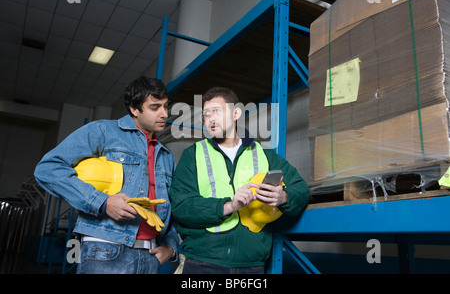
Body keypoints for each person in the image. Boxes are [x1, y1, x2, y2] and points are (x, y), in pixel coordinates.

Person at [34, 76, 179, 274]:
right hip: (106, 250)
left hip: (150, 255)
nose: (164, 113)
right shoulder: (103, 132)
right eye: (155, 107)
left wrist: (171, 248)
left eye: (165, 106)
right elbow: (47, 169)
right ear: (134, 110)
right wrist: (103, 202)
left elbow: (169, 206)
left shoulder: (166, 155)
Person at [169, 86, 310, 273]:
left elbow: (301, 189)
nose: (210, 118)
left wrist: (283, 198)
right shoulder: (193, 155)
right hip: (203, 263)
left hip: (251, 265)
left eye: (217, 111)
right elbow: (181, 206)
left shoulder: (265, 154)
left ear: (236, 113)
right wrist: (229, 206)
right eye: (206, 114)